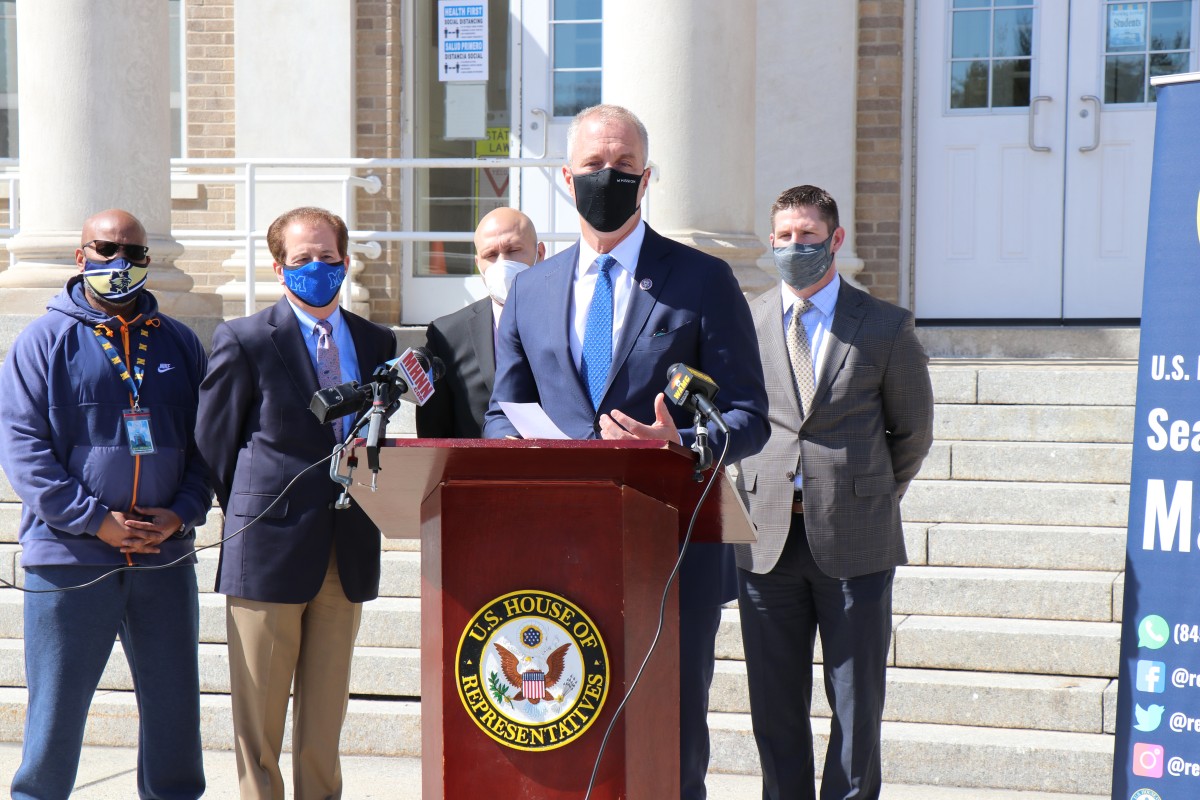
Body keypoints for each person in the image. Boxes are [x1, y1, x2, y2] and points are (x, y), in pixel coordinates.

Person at [483, 104, 769, 799]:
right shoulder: (532, 290)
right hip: (557, 549)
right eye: (591, 168)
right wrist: (527, 455)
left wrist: (684, 442)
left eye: (621, 168)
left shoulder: (701, 280)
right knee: (569, 736)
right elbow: (501, 412)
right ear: (565, 177)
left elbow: (750, 417)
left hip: (671, 548)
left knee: (668, 746)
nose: (605, 179)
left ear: (646, 179)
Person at [733, 185, 934, 800]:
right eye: (786, 237)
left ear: (836, 240)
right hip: (765, 541)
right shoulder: (748, 321)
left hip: (855, 542)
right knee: (774, 709)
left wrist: (866, 494)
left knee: (855, 709)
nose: (797, 247)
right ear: (771, 242)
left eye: (810, 237)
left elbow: (913, 432)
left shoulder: (885, 326)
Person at [0, 209, 208, 799]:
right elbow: (22, 449)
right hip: (69, 560)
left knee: (174, 709)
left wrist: (181, 513)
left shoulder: (179, 343)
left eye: (134, 253)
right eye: (105, 249)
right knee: (56, 714)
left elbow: (206, 446)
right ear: (80, 256)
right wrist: (95, 521)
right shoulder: (44, 340)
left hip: (163, 558)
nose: (119, 263)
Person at [196, 207, 396, 799]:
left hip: (348, 545)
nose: (317, 268)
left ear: (346, 262)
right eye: (302, 259)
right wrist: (259, 511)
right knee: (259, 724)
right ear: (279, 268)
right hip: (268, 548)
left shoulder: (376, 341)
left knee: (324, 721)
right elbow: (215, 443)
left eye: (327, 258)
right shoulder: (246, 338)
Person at [416, 206, 544, 438]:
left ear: (540, 253)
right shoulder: (446, 335)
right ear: (478, 263)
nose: (502, 264)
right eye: (490, 255)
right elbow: (433, 434)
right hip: (475, 472)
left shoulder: (572, 322)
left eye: (513, 250)